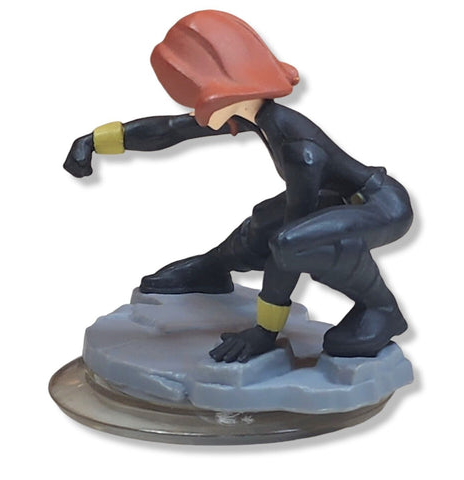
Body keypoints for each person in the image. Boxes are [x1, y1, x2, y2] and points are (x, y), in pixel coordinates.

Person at [64, 10, 413, 363]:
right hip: (340, 197)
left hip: (381, 206)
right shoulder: (253, 115)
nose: (196, 111)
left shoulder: (299, 151)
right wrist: (94, 141)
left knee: (296, 242)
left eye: (198, 99)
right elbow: (171, 130)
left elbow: (290, 243)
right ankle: (213, 269)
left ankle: (381, 309)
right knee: (264, 222)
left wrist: (266, 330)